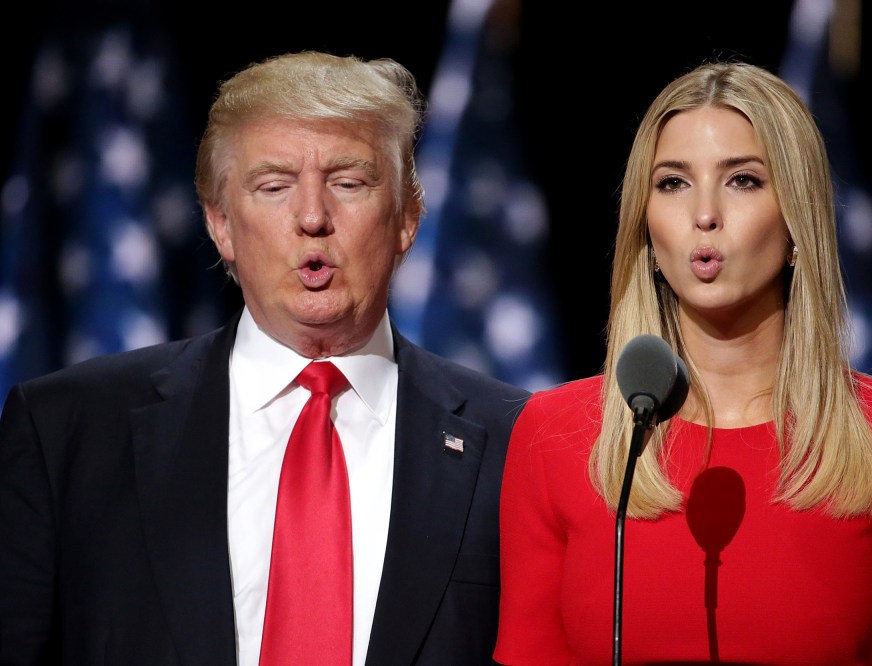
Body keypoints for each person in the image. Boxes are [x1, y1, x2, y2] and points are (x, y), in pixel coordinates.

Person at [0, 50, 530, 666]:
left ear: (408, 218)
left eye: (349, 182)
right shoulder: (67, 429)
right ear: (221, 223)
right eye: (274, 186)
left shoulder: (516, 439)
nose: (312, 217)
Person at [494, 60, 872, 665]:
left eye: (743, 180)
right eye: (672, 182)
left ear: (799, 221)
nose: (705, 214)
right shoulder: (554, 436)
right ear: (644, 232)